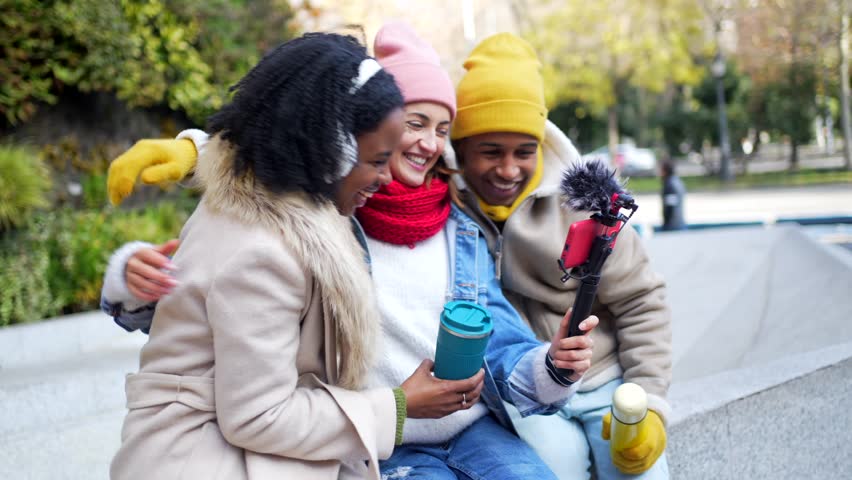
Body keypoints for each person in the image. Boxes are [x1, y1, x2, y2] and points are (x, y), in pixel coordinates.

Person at [103, 23, 600, 480]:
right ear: (345, 145)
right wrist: (194, 156)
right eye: (407, 127)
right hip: (354, 442)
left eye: (442, 130)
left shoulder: (452, 226)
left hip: (446, 428)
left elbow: (498, 343)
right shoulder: (320, 225)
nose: (424, 146)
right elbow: (212, 316)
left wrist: (552, 365)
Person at [107, 33, 415, 480]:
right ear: (332, 151)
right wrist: (396, 408)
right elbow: (258, 416)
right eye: (378, 160)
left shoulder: (283, 201)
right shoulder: (263, 252)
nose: (389, 177)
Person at [445, 33, 672, 479]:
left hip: (608, 379)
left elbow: (642, 302)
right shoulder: (448, 212)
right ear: (461, 150)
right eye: (490, 151)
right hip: (522, 397)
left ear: (541, 146)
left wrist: (650, 400)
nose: (508, 169)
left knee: (639, 471)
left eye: (524, 152)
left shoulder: (590, 204)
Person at [660, 160, 687, 231]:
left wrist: (666, 224)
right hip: (680, 223)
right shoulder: (678, 181)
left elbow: (670, 206)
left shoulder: (670, 185)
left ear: (665, 171)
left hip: (672, 226)